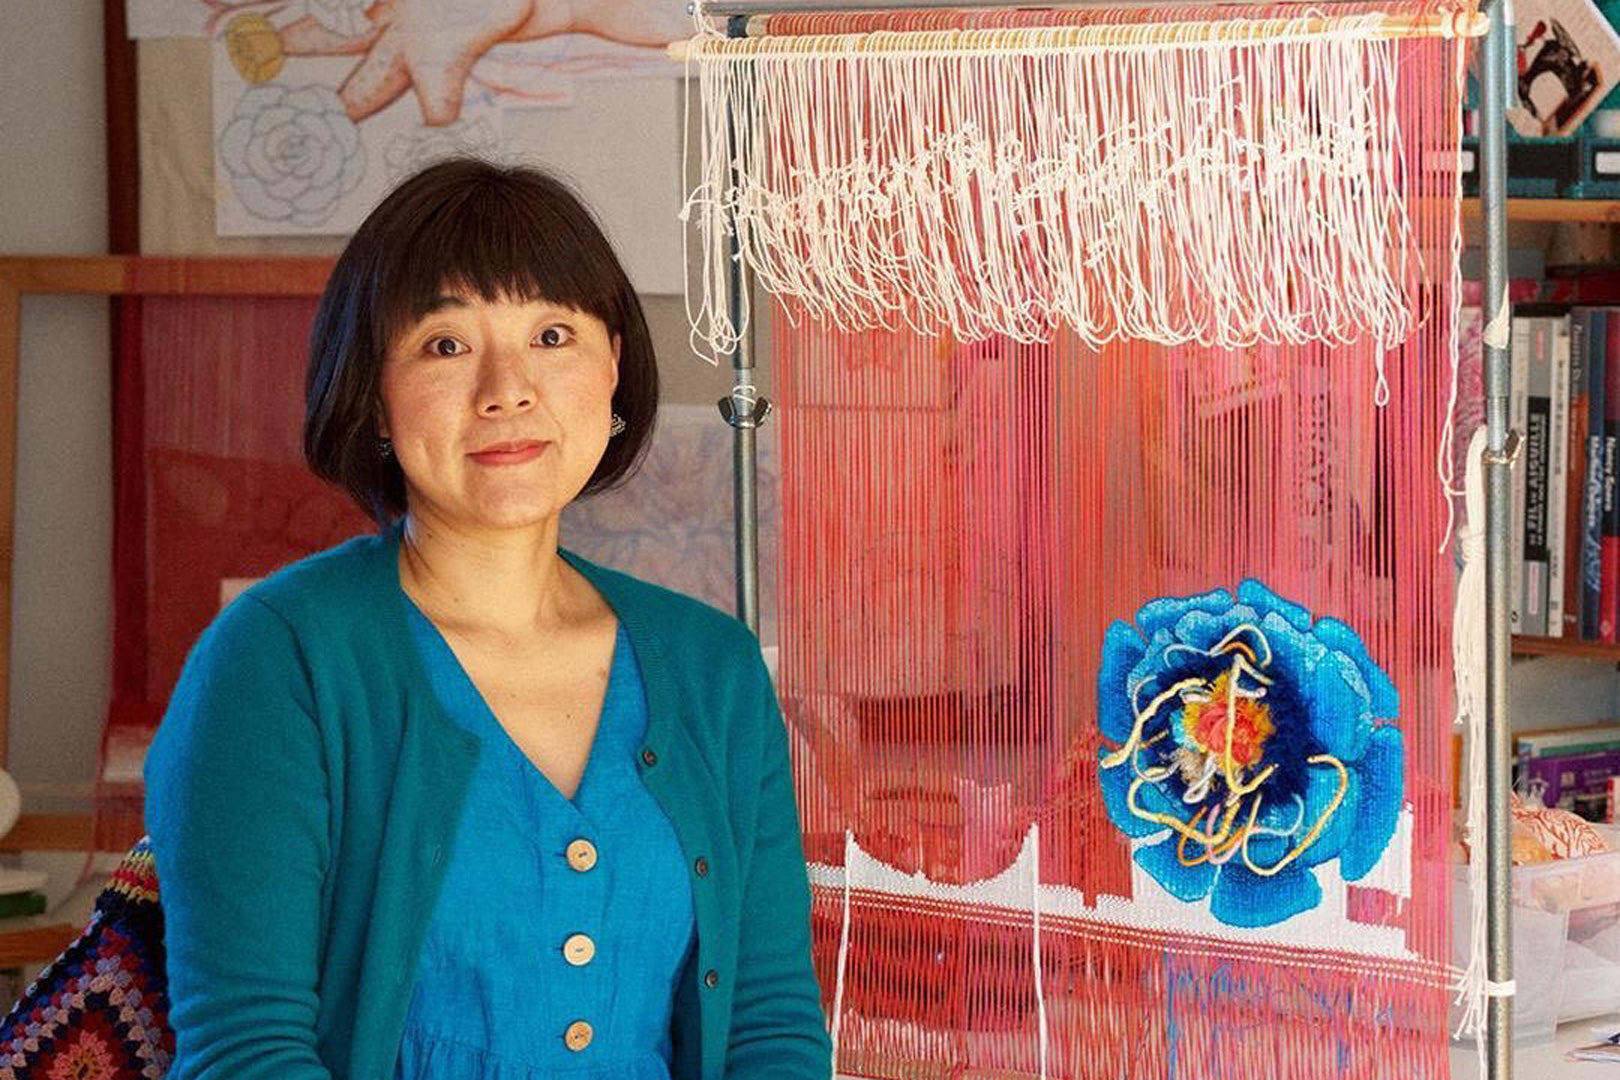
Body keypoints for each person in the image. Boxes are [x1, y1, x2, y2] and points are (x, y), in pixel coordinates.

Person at [144, 157, 831, 1080]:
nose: (507, 389)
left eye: (552, 334)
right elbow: (246, 1052)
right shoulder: (280, 660)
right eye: (445, 345)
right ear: (374, 394)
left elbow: (769, 1025)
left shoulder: (714, 666)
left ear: (614, 366)